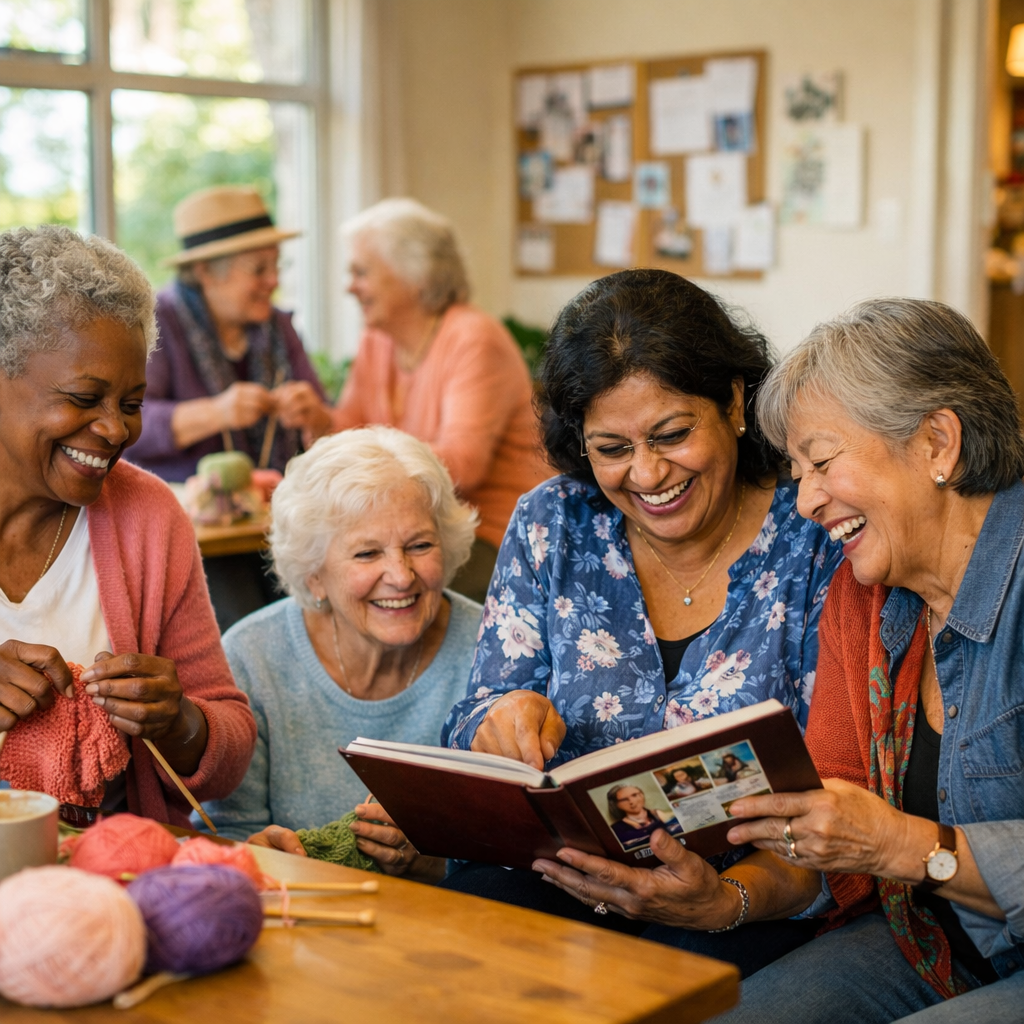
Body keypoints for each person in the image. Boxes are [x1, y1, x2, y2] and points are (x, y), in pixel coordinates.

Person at [543, 297, 1024, 1024]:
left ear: (937, 443)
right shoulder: (865, 600)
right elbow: (824, 819)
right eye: (798, 471)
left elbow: (886, 844)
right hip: (929, 941)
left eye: (823, 462)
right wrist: (723, 898)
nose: (804, 501)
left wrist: (908, 847)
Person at [439, 268, 843, 974]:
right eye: (613, 449)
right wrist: (500, 717)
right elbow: (474, 712)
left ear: (734, 402)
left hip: (746, 894)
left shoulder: (814, 533)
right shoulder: (552, 523)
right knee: (460, 955)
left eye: (672, 434)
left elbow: (849, 786)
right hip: (567, 875)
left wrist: (725, 898)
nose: (649, 475)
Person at [0, 225, 255, 826]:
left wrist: (178, 719)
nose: (116, 430)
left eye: (132, 403)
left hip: (109, 873)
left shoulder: (147, 517)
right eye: (85, 399)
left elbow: (231, 750)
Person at [201, 426, 481, 880]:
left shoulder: (493, 649)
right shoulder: (253, 655)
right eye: (367, 553)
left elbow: (519, 856)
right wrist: (258, 856)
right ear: (314, 574)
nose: (401, 576)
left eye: (420, 545)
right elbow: (226, 831)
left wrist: (434, 861)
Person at [126, 185, 333, 629]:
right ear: (206, 272)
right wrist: (215, 412)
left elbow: (325, 419)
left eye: (276, 266)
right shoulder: (158, 323)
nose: (273, 281)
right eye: (259, 269)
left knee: (317, 610)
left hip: (276, 518)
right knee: (249, 621)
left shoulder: (278, 326)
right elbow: (128, 422)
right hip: (197, 534)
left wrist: (312, 414)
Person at [325, 198, 549, 601]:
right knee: (322, 581)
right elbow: (348, 432)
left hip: (496, 532)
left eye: (361, 272)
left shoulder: (473, 338)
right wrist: (315, 421)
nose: (350, 286)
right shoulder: (378, 340)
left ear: (415, 276)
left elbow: (464, 464)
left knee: (360, 597)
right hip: (412, 531)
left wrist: (364, 464)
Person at [606, 785, 682, 850]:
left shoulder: (663, 815)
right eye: (624, 799)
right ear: (616, 804)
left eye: (634, 795)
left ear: (642, 795)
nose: (632, 801)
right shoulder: (616, 830)